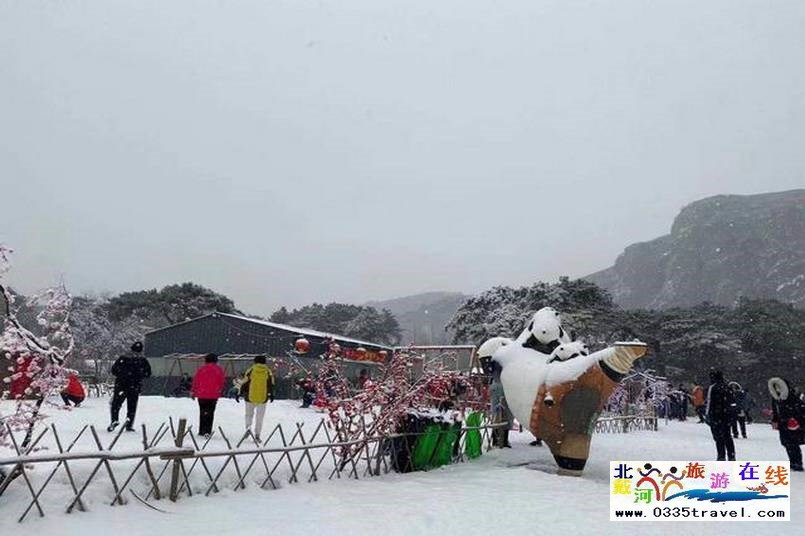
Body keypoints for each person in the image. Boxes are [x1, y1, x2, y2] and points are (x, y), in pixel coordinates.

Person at [108, 341, 152, 432]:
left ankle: (114, 420)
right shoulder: (142, 361)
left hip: (121, 385)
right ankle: (129, 424)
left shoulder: (123, 359)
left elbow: (114, 370)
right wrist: (139, 375)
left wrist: (122, 375)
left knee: (116, 404)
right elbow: (148, 373)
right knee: (132, 407)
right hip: (134, 386)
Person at [768, 377, 804, 471]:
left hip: (792, 423)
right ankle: (793, 462)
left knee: (793, 444)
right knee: (787, 443)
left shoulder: (791, 396)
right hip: (783, 424)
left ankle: (797, 463)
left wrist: (794, 418)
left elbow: (799, 409)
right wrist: (775, 420)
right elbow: (775, 410)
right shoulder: (776, 398)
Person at [239, 356, 274, 441]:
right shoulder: (268, 371)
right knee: (260, 417)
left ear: (255, 362)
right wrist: (271, 394)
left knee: (249, 415)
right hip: (263, 397)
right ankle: (257, 434)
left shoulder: (251, 370)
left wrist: (240, 392)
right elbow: (271, 384)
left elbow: (245, 382)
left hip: (250, 396)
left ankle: (248, 428)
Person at [191, 354, 226, 438]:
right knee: (210, 413)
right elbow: (222, 382)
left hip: (202, 394)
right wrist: (220, 390)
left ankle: (201, 430)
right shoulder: (219, 370)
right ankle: (207, 431)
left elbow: (196, 381)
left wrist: (193, 391)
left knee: (202, 412)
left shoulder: (201, 369)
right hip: (213, 395)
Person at [705, 369, 736, 461]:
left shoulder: (713, 387)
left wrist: (708, 415)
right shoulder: (728, 387)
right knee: (728, 436)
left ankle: (721, 456)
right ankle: (731, 456)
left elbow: (709, 402)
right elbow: (732, 402)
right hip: (726, 415)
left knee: (718, 437)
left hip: (716, 415)